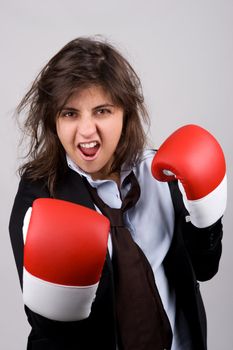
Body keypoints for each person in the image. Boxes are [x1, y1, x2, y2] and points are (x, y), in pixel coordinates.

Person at [9, 36, 227, 350]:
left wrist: (208, 220)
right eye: (70, 113)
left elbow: (205, 268)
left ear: (124, 112)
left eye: (101, 111)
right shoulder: (41, 196)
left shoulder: (162, 174)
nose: (86, 131)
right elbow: (48, 330)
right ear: (52, 119)